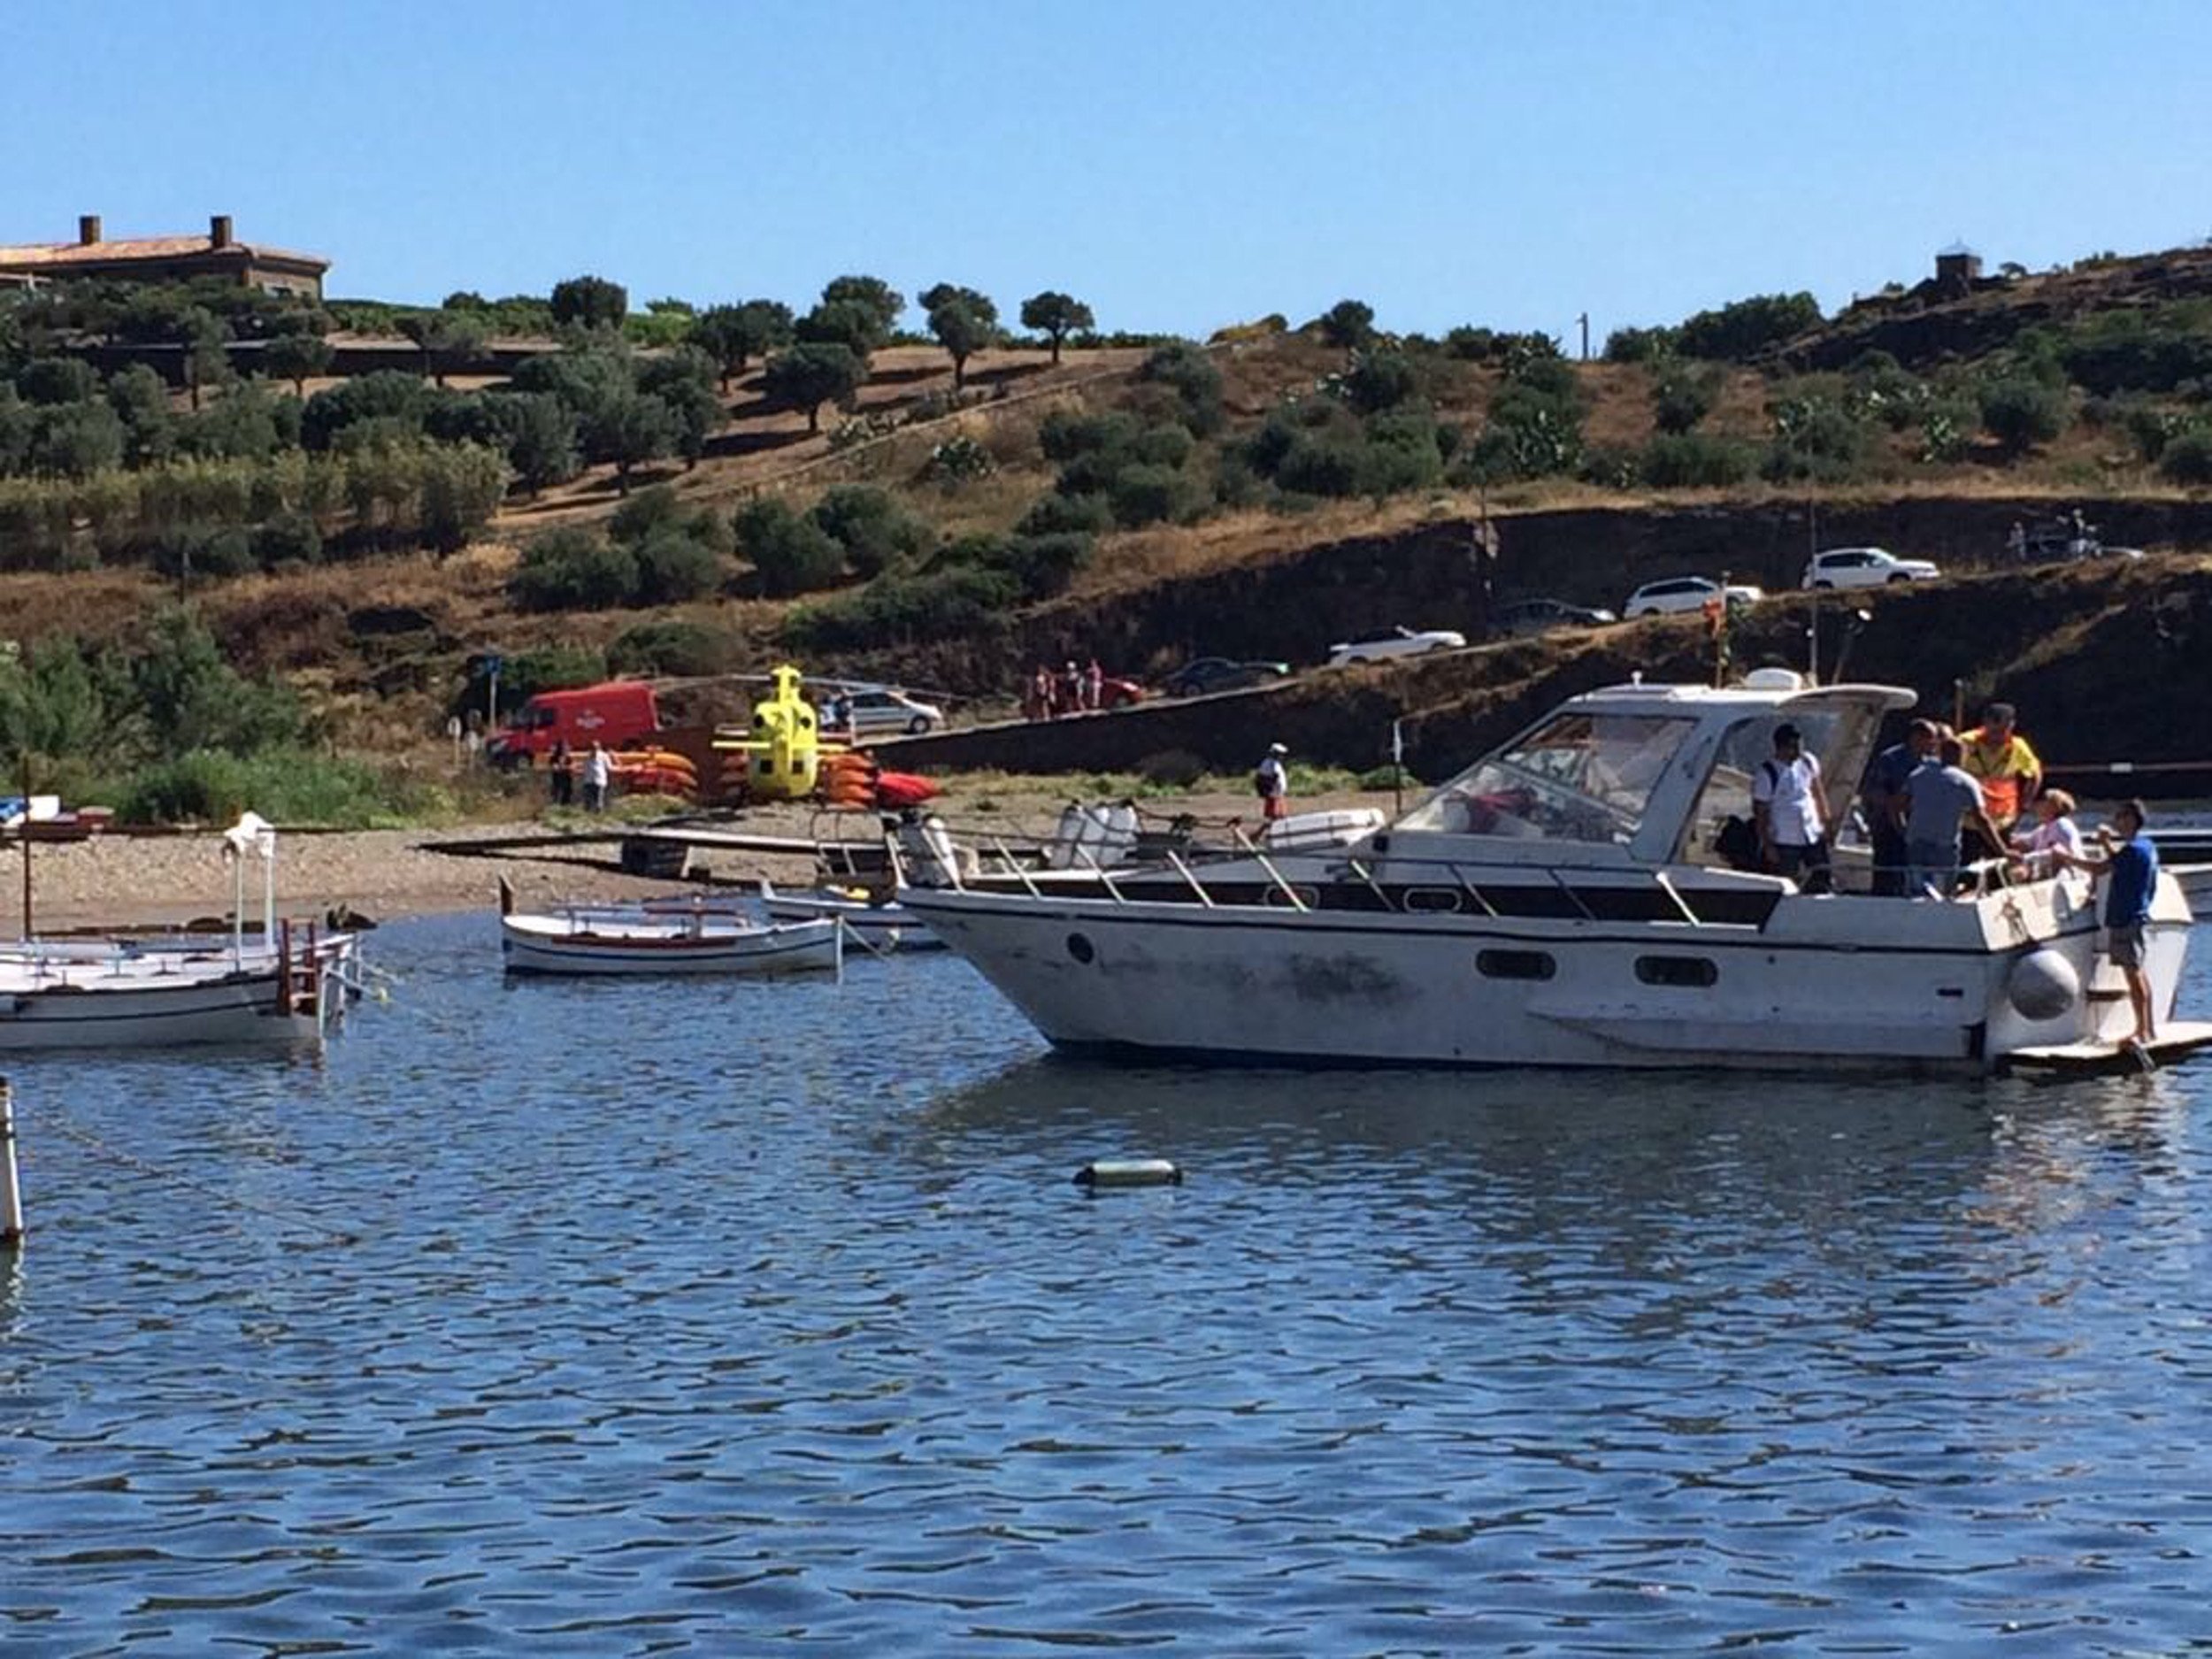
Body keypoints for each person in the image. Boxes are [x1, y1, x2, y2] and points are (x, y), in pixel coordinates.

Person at [2057, 800, 2160, 1048]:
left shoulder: (2131, 850)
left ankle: (2141, 1031)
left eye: (2121, 817)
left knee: (2133, 975)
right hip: (2135, 916)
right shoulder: (2145, 846)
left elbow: (2099, 868)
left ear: (2132, 820)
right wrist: (2105, 843)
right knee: (2138, 972)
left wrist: (2066, 859)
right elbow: (2119, 863)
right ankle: (2148, 1028)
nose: (2116, 822)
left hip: (2125, 917)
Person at [1902, 734, 2006, 895]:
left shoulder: (1918, 775)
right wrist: (2002, 850)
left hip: (1916, 842)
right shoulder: (1965, 781)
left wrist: (1903, 829)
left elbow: (1896, 805)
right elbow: (1981, 819)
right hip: (1945, 845)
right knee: (1943, 892)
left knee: (1917, 889)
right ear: (1962, 755)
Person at [1751, 723, 1831, 891]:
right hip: (1784, 838)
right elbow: (1761, 812)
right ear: (1781, 747)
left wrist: (1826, 821)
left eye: (1799, 746)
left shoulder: (1807, 762)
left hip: (1811, 832)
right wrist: (1768, 845)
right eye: (1792, 747)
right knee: (1787, 881)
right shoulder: (1767, 773)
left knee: (1822, 876)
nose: (1797, 752)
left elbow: (1817, 792)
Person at [1862, 718, 1936, 895]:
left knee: (1910, 871)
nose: (1934, 743)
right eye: (1930, 738)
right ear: (1916, 737)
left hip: (1917, 825)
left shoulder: (1929, 762)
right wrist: (1896, 816)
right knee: (1887, 868)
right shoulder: (1891, 759)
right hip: (1887, 825)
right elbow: (1875, 791)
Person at [1959, 701, 2042, 841]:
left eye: (2004, 731)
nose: (1998, 737)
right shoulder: (1966, 742)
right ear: (1985, 723)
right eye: (1994, 731)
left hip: (2003, 821)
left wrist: (2025, 804)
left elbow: (2035, 774)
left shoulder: (2017, 746)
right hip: (1968, 820)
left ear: (2012, 725)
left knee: (2001, 854)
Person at [2009, 788, 2083, 880]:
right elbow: (2027, 842)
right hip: (2049, 876)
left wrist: (2026, 858)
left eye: (2042, 802)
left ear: (2054, 806)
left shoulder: (2062, 825)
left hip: (2068, 877)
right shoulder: (2042, 829)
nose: (2037, 806)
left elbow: (2062, 854)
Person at [1254, 741, 1289, 822]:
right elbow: (1273, 776)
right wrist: (1269, 788)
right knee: (1275, 814)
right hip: (1274, 792)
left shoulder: (1269, 763)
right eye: (1280, 754)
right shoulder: (1272, 764)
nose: (1282, 756)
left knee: (1278, 813)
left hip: (1276, 792)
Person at [582, 741, 612, 812]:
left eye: (595, 748)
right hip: (589, 781)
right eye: (592, 748)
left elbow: (609, 768)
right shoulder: (587, 757)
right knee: (588, 801)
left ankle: (598, 814)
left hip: (599, 780)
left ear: (599, 748)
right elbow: (585, 768)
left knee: (599, 801)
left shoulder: (604, 756)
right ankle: (587, 814)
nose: (594, 749)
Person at [548, 739, 574, 809]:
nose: (565, 749)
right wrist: (566, 767)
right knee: (556, 795)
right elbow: (555, 768)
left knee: (567, 795)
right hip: (557, 780)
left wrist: (563, 767)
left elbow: (572, 767)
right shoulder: (554, 758)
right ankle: (556, 807)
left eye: (565, 747)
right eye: (563, 747)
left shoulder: (568, 758)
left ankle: (566, 808)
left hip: (567, 780)